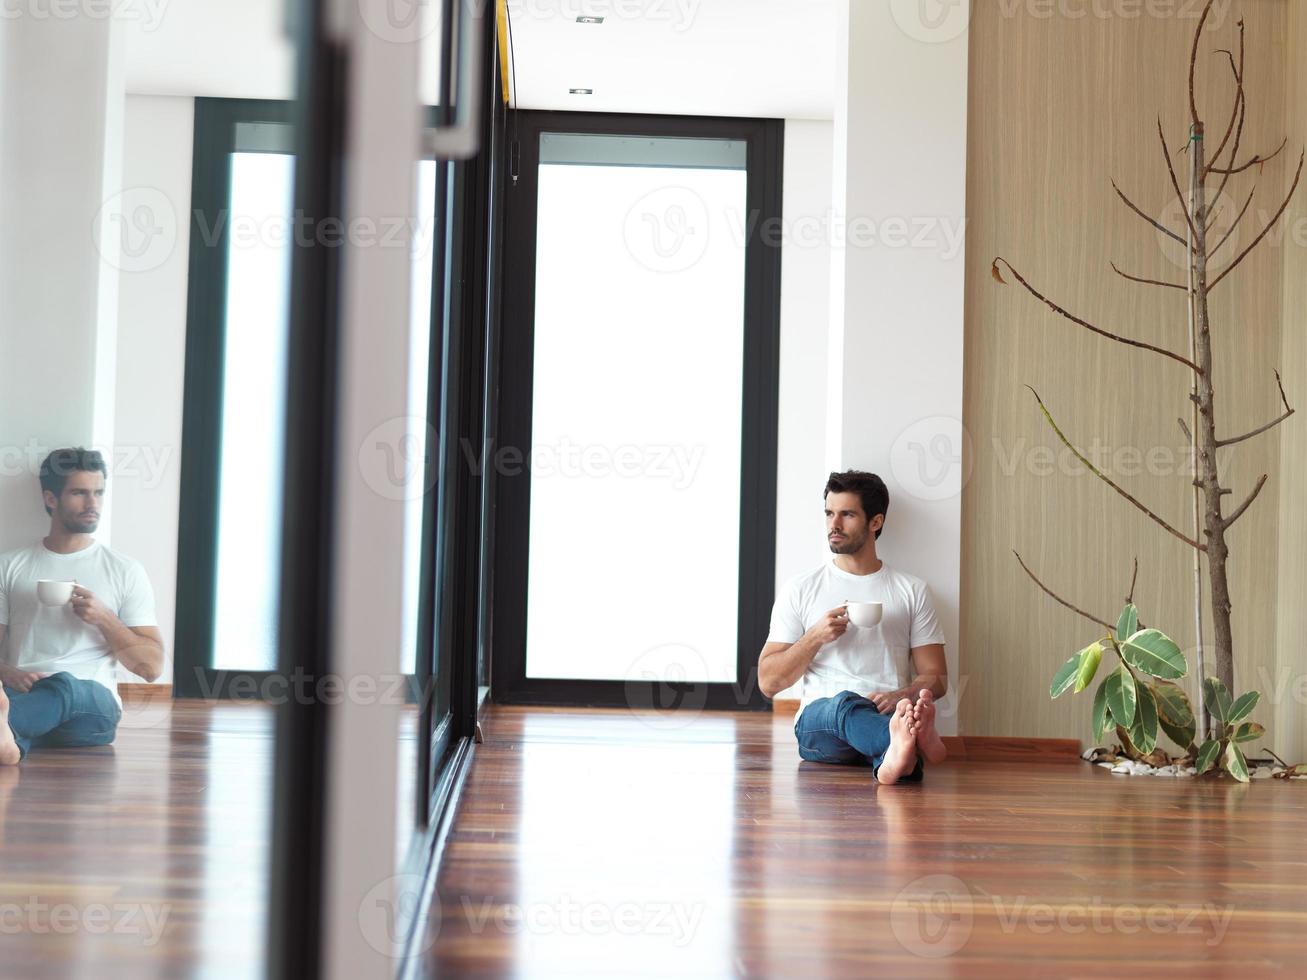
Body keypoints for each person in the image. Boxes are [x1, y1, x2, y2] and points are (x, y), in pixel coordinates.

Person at [758, 470, 949, 785]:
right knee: (845, 703)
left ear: (875, 522)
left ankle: (894, 761)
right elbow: (768, 682)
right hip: (820, 724)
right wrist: (815, 637)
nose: (834, 524)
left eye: (847, 514)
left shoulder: (911, 590)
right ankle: (913, 746)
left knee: (894, 742)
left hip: (884, 715)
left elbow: (937, 678)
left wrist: (902, 694)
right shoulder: (802, 588)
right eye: (829, 513)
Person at [0, 448, 163, 765]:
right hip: (27, 697)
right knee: (32, 709)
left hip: (93, 707)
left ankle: (9, 726)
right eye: (79, 493)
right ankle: (10, 741)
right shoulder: (9, 566)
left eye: (98, 493)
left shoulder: (124, 570)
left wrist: (104, 618)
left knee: (64, 686)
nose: (93, 504)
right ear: (51, 499)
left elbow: (152, 668)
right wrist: (8, 672)